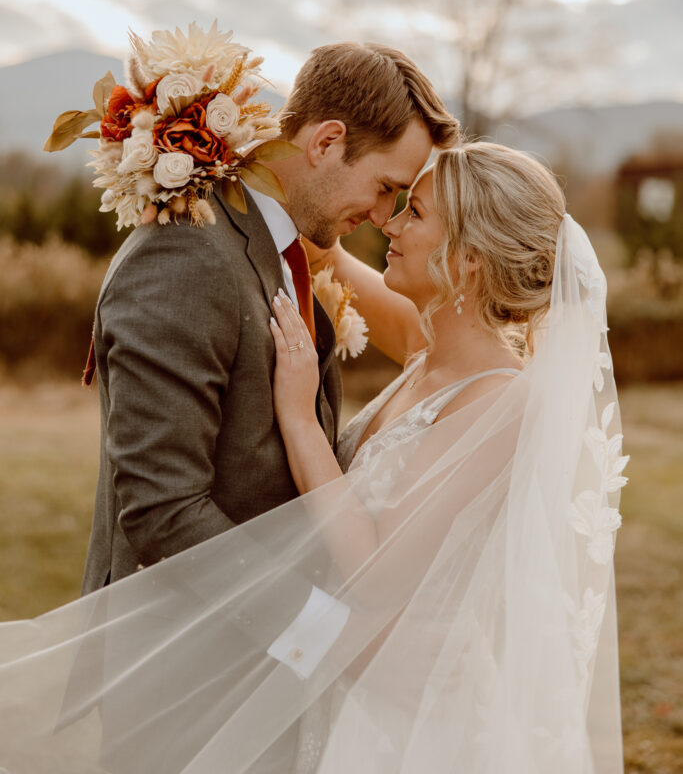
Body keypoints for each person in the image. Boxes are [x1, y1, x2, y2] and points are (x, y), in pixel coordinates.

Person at [0, 143, 625, 773]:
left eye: (415, 212)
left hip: (411, 708)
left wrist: (300, 421)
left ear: (467, 259)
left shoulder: (503, 401)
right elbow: (318, 247)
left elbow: (376, 567)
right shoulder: (422, 364)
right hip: (349, 684)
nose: (392, 223)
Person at [82, 38, 459, 595]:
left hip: (251, 665)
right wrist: (316, 632)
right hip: (176, 660)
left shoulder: (279, 251)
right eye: (385, 188)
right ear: (327, 142)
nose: (384, 217)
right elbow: (163, 509)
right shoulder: (186, 256)